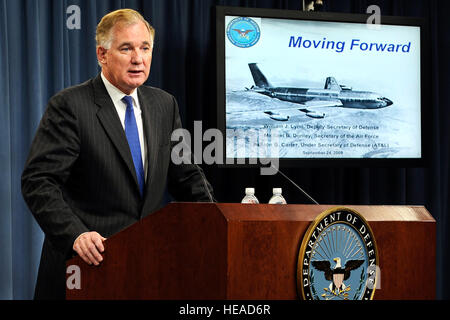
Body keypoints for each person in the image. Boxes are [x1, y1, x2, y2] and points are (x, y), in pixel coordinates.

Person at [21, 8, 215, 300]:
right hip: (85, 267)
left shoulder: (164, 105)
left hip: (146, 270)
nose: (138, 58)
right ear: (102, 54)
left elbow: (187, 176)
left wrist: (217, 219)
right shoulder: (71, 105)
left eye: (145, 48)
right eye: (126, 48)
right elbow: (39, 182)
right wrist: (76, 235)